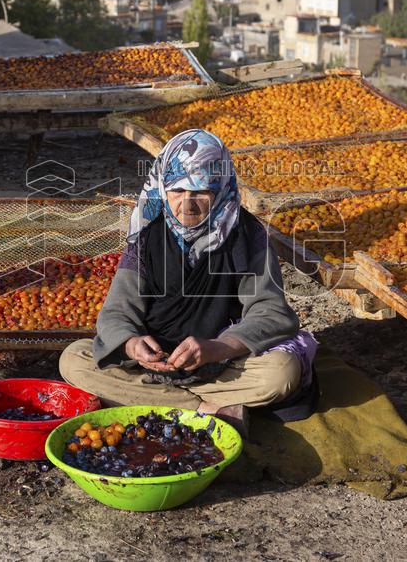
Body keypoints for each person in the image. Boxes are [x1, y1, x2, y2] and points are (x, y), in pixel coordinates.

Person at [59, 129, 318, 431]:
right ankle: (204, 409)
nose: (187, 204)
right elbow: (117, 312)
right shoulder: (147, 235)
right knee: (74, 360)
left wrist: (217, 348)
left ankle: (160, 401)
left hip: (222, 364)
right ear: (163, 188)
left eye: (200, 192)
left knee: (281, 373)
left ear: (220, 189)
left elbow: (270, 311)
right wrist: (132, 345)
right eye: (177, 191)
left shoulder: (246, 235)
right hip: (156, 364)